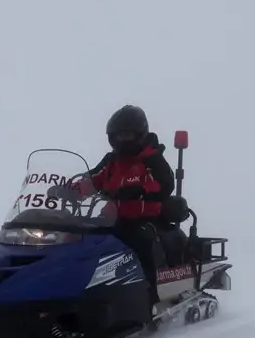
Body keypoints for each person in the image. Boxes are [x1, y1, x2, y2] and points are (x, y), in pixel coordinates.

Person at [50, 104, 175, 310]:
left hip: (144, 219)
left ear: (140, 134)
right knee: (82, 239)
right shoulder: (112, 161)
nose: (121, 140)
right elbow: (93, 179)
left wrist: (139, 190)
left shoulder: (152, 159)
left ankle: (151, 295)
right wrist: (68, 189)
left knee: (140, 242)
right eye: (118, 135)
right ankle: (82, 290)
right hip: (114, 218)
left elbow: (164, 182)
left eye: (127, 135)